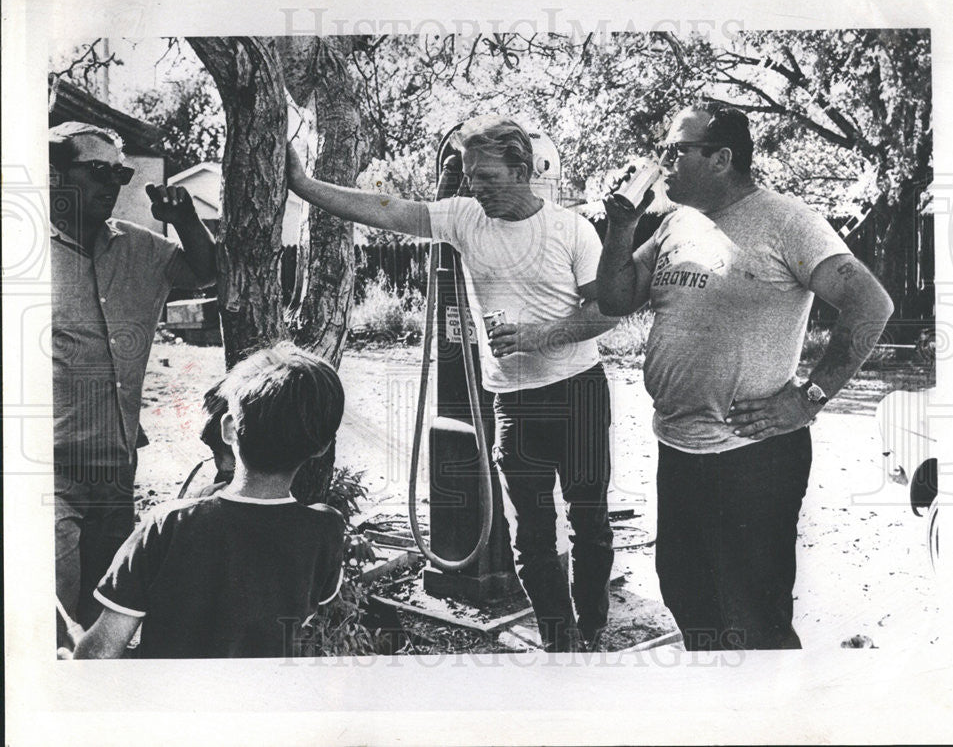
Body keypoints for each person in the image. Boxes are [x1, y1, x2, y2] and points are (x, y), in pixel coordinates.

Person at [286, 116, 618, 651]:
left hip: (577, 388)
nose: (475, 188)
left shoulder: (571, 228)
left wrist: (538, 336)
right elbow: (387, 210)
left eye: (487, 177)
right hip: (511, 399)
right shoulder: (466, 217)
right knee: (531, 536)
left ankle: (594, 625)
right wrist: (304, 185)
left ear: (524, 170)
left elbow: (606, 313)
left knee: (590, 520)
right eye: (468, 176)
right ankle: (562, 643)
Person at [597, 102, 893, 650]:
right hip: (679, 447)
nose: (665, 161)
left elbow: (871, 305)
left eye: (677, 150)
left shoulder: (787, 221)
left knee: (753, 615)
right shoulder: (676, 224)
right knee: (686, 592)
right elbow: (616, 298)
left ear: (720, 158)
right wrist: (621, 226)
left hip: (754, 456)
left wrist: (808, 398)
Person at [73, 343, 347, 659]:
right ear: (322, 447)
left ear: (229, 429)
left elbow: (98, 653)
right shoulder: (325, 531)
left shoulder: (167, 525)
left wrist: (76, 659)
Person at [49, 121, 217, 636]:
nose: (110, 184)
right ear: (55, 175)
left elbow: (206, 270)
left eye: (119, 174)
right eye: (97, 170)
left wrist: (185, 218)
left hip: (116, 469)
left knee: (103, 615)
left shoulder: (139, 250)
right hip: (47, 472)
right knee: (50, 618)